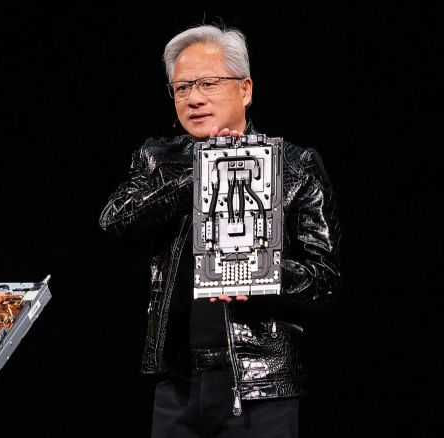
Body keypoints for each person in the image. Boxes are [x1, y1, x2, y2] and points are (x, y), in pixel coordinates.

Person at [99, 24, 340, 438]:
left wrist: (263, 273)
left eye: (208, 83)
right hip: (177, 384)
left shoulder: (294, 165)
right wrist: (199, 172)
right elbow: (115, 221)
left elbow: (326, 281)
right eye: (181, 88)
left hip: (261, 383)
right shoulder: (157, 159)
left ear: (245, 89)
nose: (193, 98)